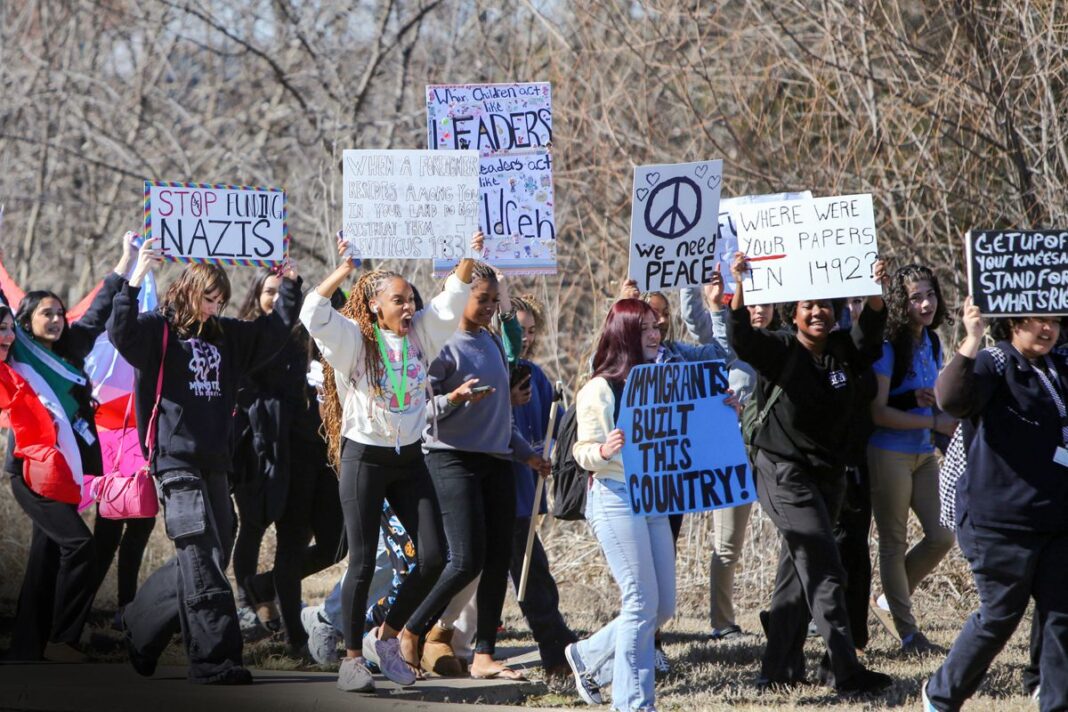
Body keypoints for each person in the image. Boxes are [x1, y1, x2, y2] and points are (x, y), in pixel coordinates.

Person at [108, 237, 300, 685]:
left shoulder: (228, 334)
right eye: (208, 298)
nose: (214, 307)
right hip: (175, 459)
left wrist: (289, 285)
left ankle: (139, 622)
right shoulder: (158, 330)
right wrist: (135, 275)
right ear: (189, 290)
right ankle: (214, 660)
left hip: (216, 460)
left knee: (210, 552)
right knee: (202, 553)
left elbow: (273, 332)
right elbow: (120, 332)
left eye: (221, 301)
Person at [303, 231, 483, 692]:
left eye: (410, 300)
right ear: (376, 306)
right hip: (365, 457)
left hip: (408, 459)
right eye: (398, 301)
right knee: (362, 562)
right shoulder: (354, 342)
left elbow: (450, 299)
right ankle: (350, 659)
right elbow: (313, 313)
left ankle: (387, 635)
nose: (409, 307)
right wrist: (345, 269)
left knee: (434, 556)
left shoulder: (422, 334)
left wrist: (468, 255)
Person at [728, 251, 893, 695]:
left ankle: (777, 669)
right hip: (782, 472)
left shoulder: (842, 350)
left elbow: (871, 334)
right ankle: (844, 671)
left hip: (828, 475)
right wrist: (740, 281)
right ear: (793, 314)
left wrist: (876, 289)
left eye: (824, 305)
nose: (818, 312)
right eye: (808, 306)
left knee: (796, 570)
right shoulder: (779, 347)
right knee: (823, 564)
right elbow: (742, 337)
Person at [923, 304, 1068, 712]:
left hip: (1055, 517)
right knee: (1000, 616)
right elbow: (950, 399)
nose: (1047, 328)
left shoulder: (1059, 364)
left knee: (1062, 616)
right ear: (1013, 321)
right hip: (1000, 521)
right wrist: (971, 338)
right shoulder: (994, 361)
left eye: (1055, 321)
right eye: (1038, 319)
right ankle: (941, 696)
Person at [3, 233, 135, 662]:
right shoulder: (15, 351)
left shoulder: (71, 352)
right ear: (25, 322)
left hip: (66, 473)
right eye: (47, 314)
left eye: (60, 313)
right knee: (80, 546)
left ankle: (26, 648)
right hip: (30, 473)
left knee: (44, 562)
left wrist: (127, 261)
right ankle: (64, 640)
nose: (57, 319)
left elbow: (96, 313)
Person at [423, 262, 551, 681]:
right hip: (453, 458)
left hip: (497, 460)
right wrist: (455, 399)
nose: (491, 308)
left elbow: (501, 417)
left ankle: (483, 654)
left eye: (496, 301)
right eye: (483, 300)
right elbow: (417, 413)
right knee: (466, 558)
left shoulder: (494, 341)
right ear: (461, 296)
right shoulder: (439, 343)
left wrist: (526, 454)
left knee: (497, 558)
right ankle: (410, 633)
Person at [564, 298, 680, 710]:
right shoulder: (599, 389)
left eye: (657, 327)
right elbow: (582, 451)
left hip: (654, 496)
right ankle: (633, 703)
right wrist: (605, 449)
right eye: (647, 327)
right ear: (627, 333)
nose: (656, 333)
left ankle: (588, 655)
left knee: (662, 606)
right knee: (639, 603)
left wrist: (720, 411)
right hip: (615, 498)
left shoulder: (661, 379)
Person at [231, 268, 346, 655]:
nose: (278, 300)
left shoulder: (307, 336)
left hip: (321, 451)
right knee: (283, 537)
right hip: (276, 455)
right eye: (270, 292)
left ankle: (262, 587)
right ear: (257, 296)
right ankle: (292, 633)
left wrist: (341, 275)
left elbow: (339, 310)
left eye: (285, 294)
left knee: (335, 542)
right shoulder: (250, 337)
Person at [867, 264, 956, 654]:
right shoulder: (887, 345)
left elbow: (928, 396)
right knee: (893, 539)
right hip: (888, 453)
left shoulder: (933, 343)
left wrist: (937, 412)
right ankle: (907, 632)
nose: (926, 303)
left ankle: (888, 600)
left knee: (942, 534)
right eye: (916, 297)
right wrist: (932, 417)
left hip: (924, 452)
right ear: (902, 303)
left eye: (930, 294)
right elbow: (878, 412)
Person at [680, 278, 760, 642]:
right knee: (727, 545)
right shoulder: (729, 350)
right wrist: (690, 281)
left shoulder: (788, 343)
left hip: (777, 459)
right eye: (749, 304)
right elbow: (696, 322)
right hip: (736, 459)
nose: (757, 310)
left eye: (763, 303)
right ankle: (722, 622)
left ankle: (798, 612)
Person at [505, 294, 578, 680]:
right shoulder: (491, 371)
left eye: (532, 330)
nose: (526, 338)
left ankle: (557, 650)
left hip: (525, 495)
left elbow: (559, 425)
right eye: (518, 329)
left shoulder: (538, 376)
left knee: (533, 573)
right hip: (494, 490)